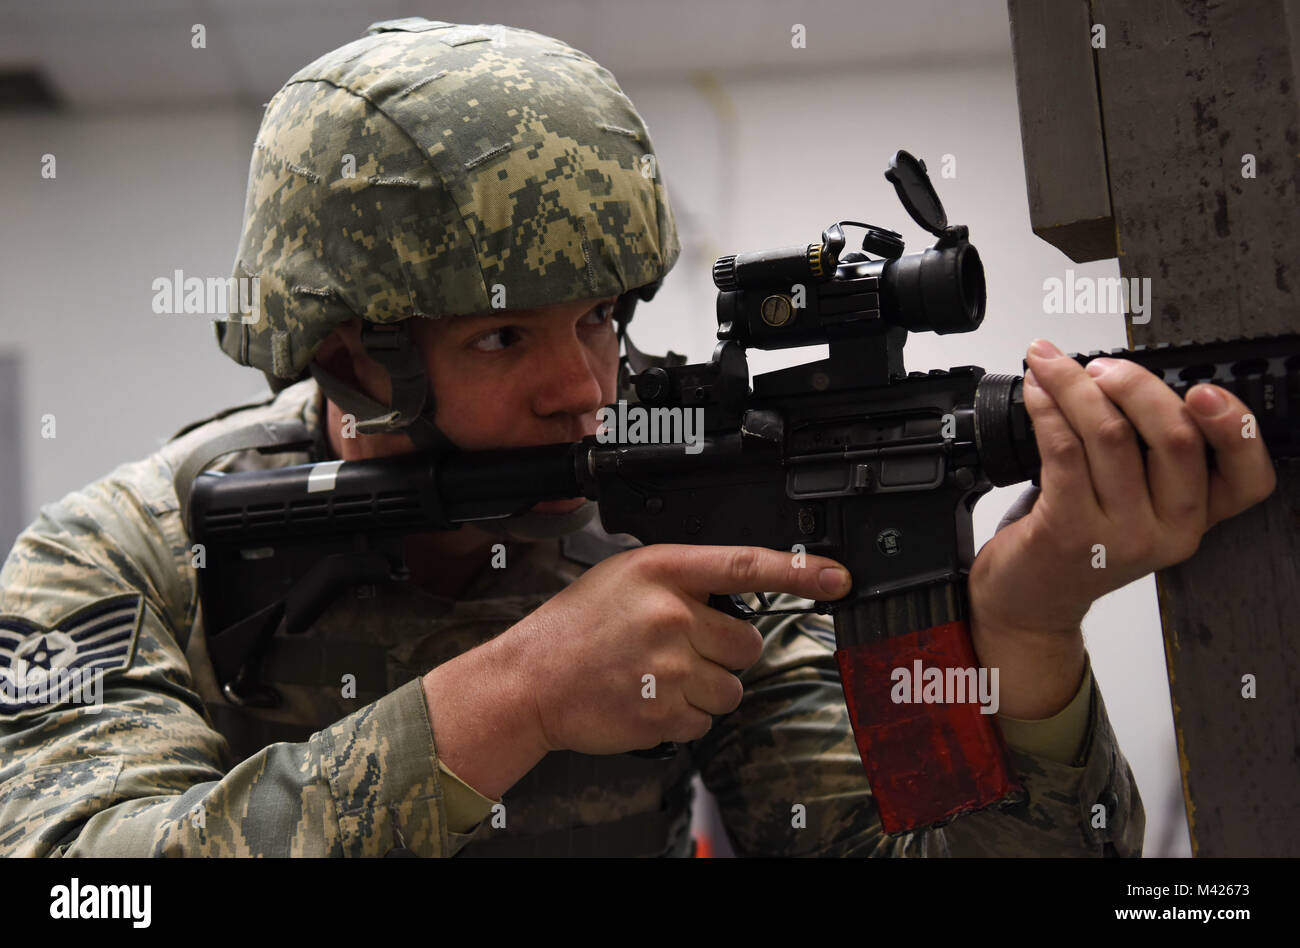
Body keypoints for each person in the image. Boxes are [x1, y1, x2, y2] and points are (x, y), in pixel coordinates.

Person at [0, 18, 1275, 857]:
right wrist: (516, 694)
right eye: (504, 340)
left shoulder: (684, 506)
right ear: (354, 358)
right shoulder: (122, 558)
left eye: (604, 320)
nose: (586, 388)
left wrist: (1024, 638)